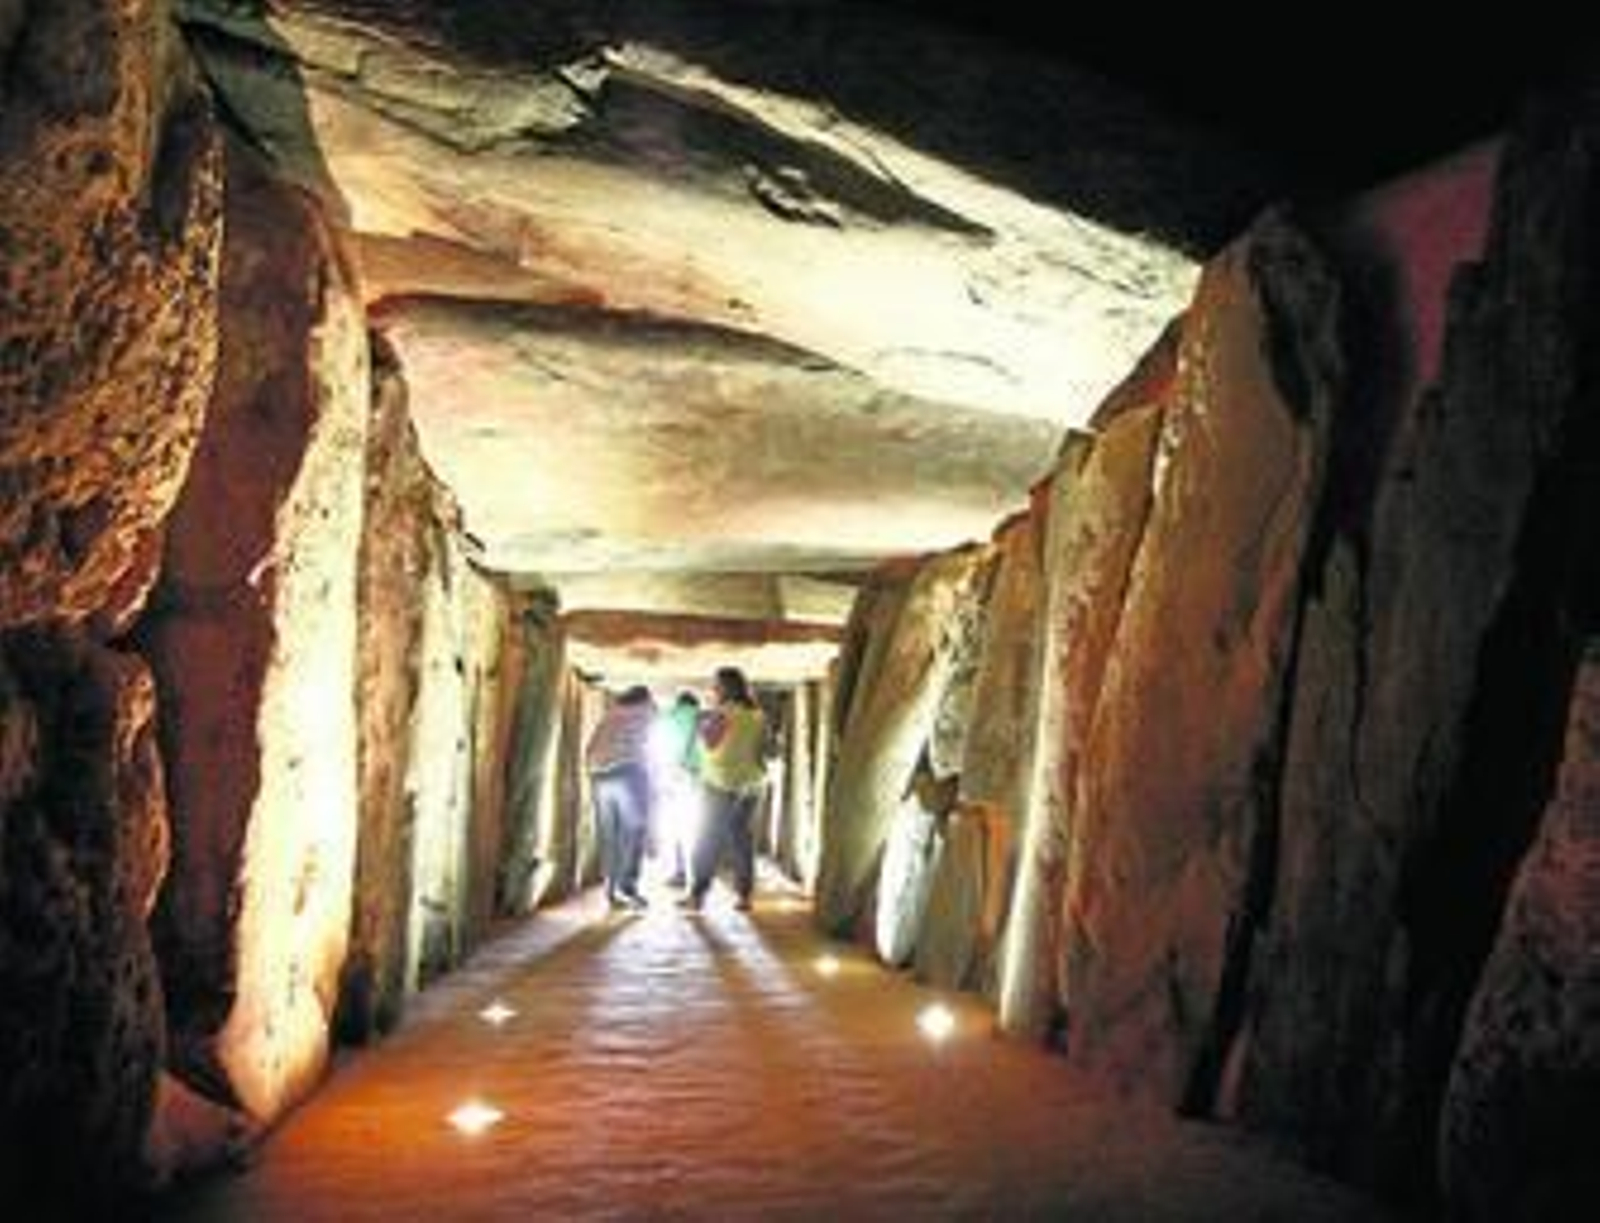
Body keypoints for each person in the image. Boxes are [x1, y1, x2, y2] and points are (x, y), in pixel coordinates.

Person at [680, 666, 767, 913]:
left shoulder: (722, 713)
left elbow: (710, 743)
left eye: (715, 685)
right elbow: (761, 749)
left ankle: (697, 895)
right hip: (751, 784)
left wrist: (700, 726)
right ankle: (745, 895)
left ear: (724, 688)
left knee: (707, 838)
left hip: (719, 782)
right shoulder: (758, 715)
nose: (713, 689)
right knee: (742, 841)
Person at [584, 684, 656, 910]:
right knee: (633, 832)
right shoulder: (645, 712)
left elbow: (590, 748)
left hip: (599, 776)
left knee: (609, 834)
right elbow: (646, 748)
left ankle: (610, 889)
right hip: (628, 772)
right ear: (644, 699)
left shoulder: (610, 714)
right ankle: (627, 887)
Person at [652, 690, 704, 888]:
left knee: (677, 825)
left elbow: (657, 737)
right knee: (702, 825)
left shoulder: (669, 715)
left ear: (679, 702)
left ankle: (680, 872)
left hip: (675, 775)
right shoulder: (702, 716)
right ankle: (702, 870)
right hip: (700, 776)